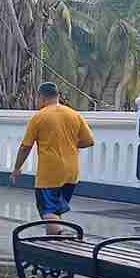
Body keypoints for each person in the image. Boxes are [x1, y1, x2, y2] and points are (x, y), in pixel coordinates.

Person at [11, 82, 95, 235]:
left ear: (41, 97)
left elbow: (25, 147)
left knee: (48, 212)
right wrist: (69, 144)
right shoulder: (74, 114)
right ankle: (54, 244)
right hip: (71, 174)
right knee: (56, 212)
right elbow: (89, 141)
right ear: (58, 96)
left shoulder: (39, 117)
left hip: (49, 175)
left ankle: (63, 238)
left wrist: (17, 168)